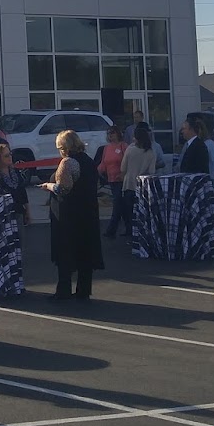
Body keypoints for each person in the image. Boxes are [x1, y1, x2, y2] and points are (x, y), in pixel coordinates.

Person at [41, 130, 103, 301]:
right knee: (85, 251)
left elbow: (63, 188)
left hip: (68, 215)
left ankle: (64, 290)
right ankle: (84, 290)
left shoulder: (68, 163)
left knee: (65, 251)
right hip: (88, 212)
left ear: (64, 147)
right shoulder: (88, 161)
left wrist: (48, 185)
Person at [113, 124, 158, 240]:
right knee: (142, 212)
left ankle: (130, 232)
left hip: (129, 184)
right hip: (143, 186)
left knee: (129, 212)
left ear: (137, 138)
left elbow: (123, 168)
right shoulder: (151, 152)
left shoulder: (130, 149)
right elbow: (152, 171)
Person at [96, 126, 128, 233]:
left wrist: (123, 173)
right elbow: (103, 163)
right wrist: (96, 173)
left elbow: (128, 161)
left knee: (117, 203)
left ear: (118, 134)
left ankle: (111, 229)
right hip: (111, 179)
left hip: (122, 180)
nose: (111, 135)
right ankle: (129, 227)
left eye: (113, 133)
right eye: (109, 133)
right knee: (121, 205)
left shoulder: (123, 146)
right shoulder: (106, 148)